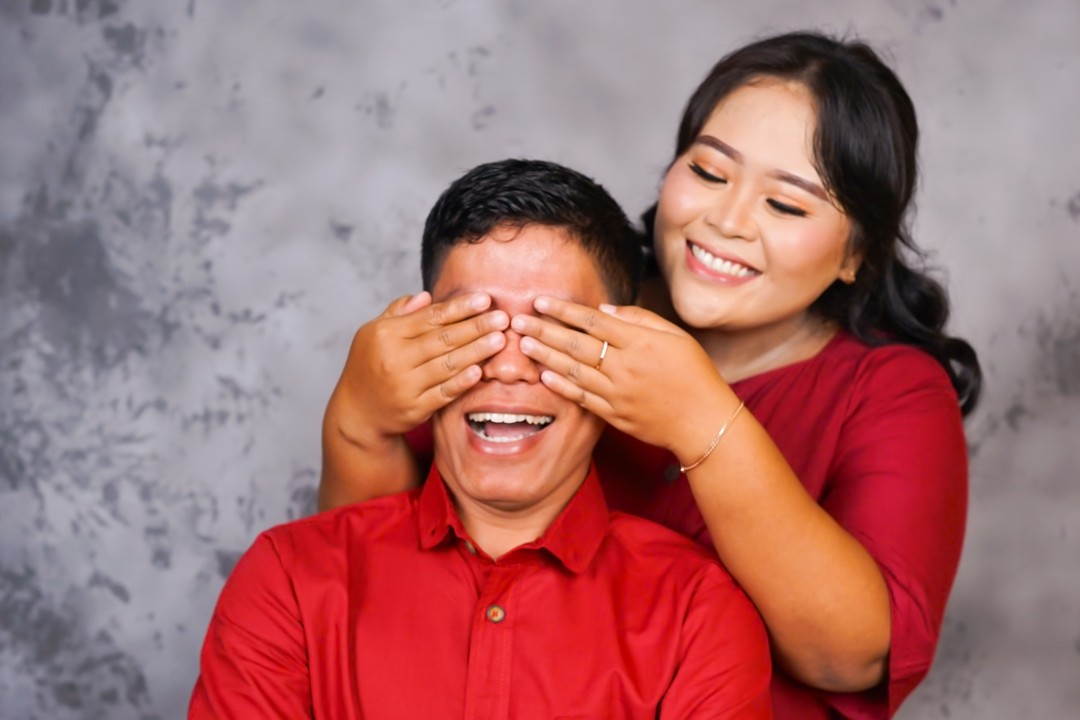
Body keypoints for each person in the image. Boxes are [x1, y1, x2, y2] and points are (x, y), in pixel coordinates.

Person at [318, 32, 983, 719]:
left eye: (786, 205)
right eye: (709, 172)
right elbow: (362, 577)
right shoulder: (563, 298)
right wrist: (359, 418)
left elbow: (848, 658)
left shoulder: (894, 392)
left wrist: (702, 421)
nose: (727, 220)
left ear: (856, 255)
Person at [190, 159, 773, 719]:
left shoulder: (700, 612)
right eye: (474, 325)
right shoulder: (288, 579)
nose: (509, 367)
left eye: (553, 330)